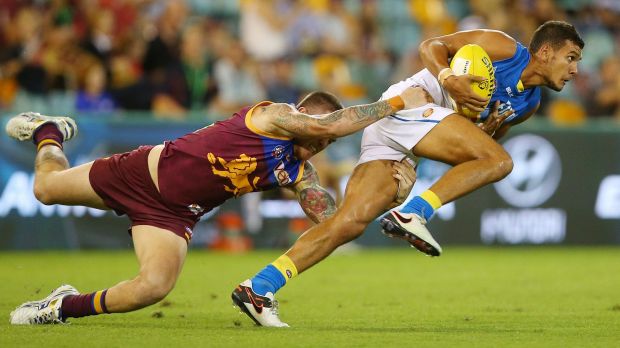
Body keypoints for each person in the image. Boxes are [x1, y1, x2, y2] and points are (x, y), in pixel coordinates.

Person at [232, 20, 584, 327]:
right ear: (545, 52)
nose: (575, 71)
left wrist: (487, 129)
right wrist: (448, 77)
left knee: (349, 222)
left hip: (414, 130)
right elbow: (431, 46)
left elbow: (470, 157)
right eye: (571, 58)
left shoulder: (528, 104)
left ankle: (259, 287)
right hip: (412, 101)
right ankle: (415, 213)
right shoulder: (505, 47)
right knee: (502, 162)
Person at [6, 86, 425, 325]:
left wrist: (389, 199)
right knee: (44, 188)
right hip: (140, 174)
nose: (321, 145)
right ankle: (48, 132)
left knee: (153, 287)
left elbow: (332, 223)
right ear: (301, 115)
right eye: (321, 137)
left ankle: (60, 307)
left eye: (329, 145)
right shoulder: (273, 116)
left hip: (172, 216)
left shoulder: (300, 173)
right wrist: (398, 103)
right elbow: (326, 123)